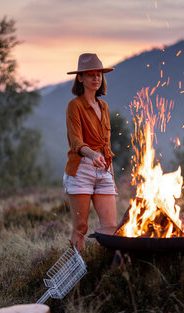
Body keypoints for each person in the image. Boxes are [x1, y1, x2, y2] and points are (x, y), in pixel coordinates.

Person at [64, 53, 118, 252]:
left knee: (110, 228)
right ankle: (77, 274)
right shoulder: (74, 106)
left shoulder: (104, 107)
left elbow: (106, 142)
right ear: (80, 78)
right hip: (81, 169)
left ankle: (107, 274)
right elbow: (76, 141)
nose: (96, 78)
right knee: (80, 228)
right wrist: (92, 155)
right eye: (91, 75)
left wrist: (105, 162)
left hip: (103, 169)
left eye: (99, 75)